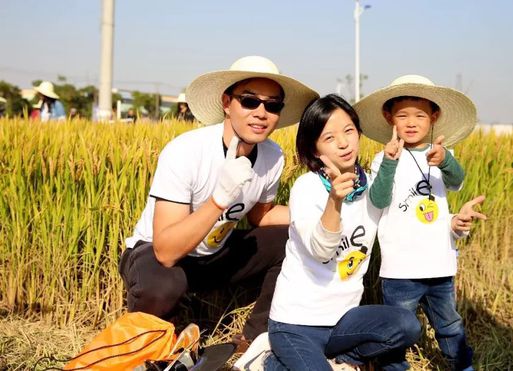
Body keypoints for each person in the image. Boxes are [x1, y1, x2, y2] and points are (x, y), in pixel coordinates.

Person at [118, 56, 318, 350]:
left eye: (272, 105)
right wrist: (219, 199)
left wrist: (320, 209)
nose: (262, 113)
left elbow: (260, 217)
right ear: (227, 102)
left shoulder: (273, 156)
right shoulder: (186, 151)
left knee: (293, 238)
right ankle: (160, 343)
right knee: (164, 285)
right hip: (155, 255)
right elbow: (166, 251)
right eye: (250, 101)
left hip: (214, 253)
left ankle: (255, 338)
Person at [236, 94, 420, 371]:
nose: (344, 143)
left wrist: (453, 223)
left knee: (406, 325)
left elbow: (403, 217)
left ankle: (344, 359)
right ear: (315, 148)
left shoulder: (371, 185)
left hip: (343, 323)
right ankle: (265, 361)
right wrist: (334, 201)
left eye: (348, 131)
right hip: (295, 323)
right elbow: (321, 250)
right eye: (330, 138)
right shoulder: (307, 188)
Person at [355, 75, 485, 371]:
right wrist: (389, 161)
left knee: (450, 324)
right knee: (396, 332)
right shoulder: (382, 159)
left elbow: (457, 181)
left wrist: (445, 161)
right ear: (389, 118)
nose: (411, 122)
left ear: (434, 117)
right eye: (402, 115)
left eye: (420, 115)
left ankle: (462, 366)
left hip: (439, 265)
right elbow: (378, 199)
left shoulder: (441, 155)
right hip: (400, 270)